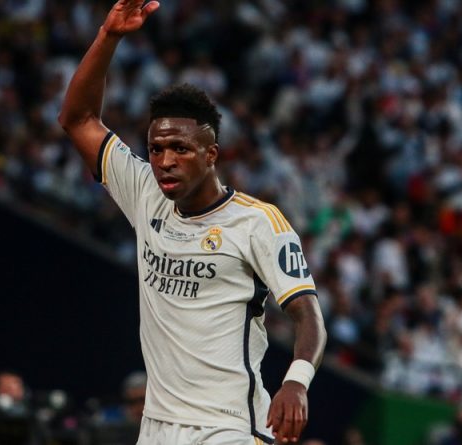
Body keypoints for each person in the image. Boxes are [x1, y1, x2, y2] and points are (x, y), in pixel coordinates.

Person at [58, 1, 327, 443]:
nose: (165, 161)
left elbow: (307, 313)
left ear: (211, 154)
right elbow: (78, 119)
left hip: (229, 426)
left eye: (180, 149)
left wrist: (296, 382)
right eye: (156, 149)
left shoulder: (257, 222)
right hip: (158, 427)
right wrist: (109, 36)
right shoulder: (144, 192)